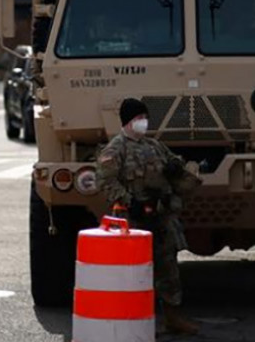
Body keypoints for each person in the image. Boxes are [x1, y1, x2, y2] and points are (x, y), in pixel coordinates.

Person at [96, 98, 201, 336]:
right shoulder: (116, 148)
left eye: (145, 117)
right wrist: (129, 202)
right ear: (128, 121)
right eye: (139, 118)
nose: (143, 122)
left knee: (168, 268)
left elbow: (174, 166)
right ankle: (132, 324)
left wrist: (176, 168)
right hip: (134, 221)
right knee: (134, 274)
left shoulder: (154, 145)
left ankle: (173, 318)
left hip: (161, 218)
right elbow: (105, 180)